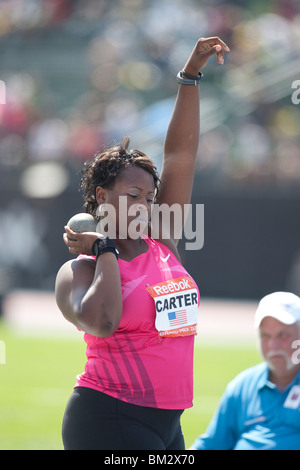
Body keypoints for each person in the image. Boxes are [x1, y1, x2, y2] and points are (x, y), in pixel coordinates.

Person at [55, 36, 230, 450]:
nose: (144, 206)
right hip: (107, 417)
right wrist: (105, 250)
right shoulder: (80, 269)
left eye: (149, 198)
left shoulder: (162, 244)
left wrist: (189, 76)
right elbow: (102, 322)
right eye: (132, 196)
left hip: (169, 424)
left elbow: (181, 156)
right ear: (102, 197)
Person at [191, 291, 300, 450]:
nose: (273, 346)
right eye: (265, 336)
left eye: (283, 335)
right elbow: (210, 445)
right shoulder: (243, 386)